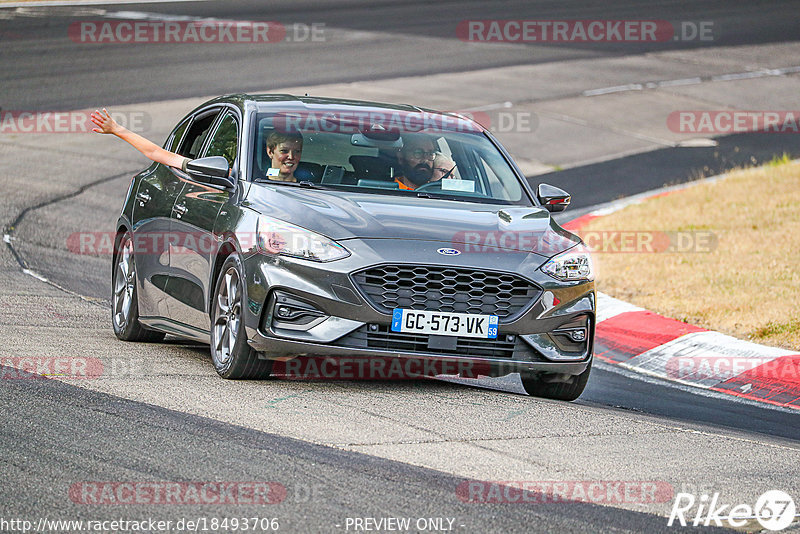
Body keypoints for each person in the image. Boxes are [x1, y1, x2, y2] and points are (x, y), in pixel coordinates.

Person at [91, 109, 304, 182]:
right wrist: (118, 130)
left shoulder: (309, 182)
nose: (291, 157)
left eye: (296, 152)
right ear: (270, 151)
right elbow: (157, 153)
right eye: (284, 151)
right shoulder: (239, 176)